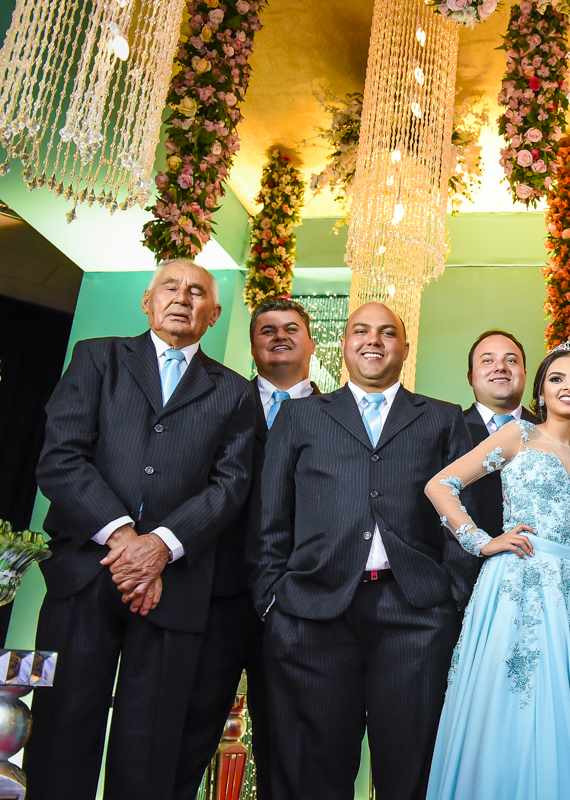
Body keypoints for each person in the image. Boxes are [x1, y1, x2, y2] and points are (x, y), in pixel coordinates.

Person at [28, 260, 258, 800]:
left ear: (213, 314)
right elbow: (61, 459)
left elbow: (231, 485)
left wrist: (160, 547)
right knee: (61, 730)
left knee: (150, 743)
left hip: (176, 586)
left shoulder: (234, 391)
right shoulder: (96, 357)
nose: (182, 298)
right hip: (84, 574)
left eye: (197, 292)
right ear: (147, 301)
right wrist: (125, 541)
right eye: (170, 287)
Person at [249, 302, 478, 800]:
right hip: (311, 615)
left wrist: (453, 599)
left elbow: (462, 517)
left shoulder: (441, 418)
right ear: (344, 344)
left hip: (415, 616)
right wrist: (272, 601)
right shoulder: (299, 415)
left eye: (387, 332)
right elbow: (271, 514)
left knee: (412, 772)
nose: (373, 340)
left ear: (405, 348)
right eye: (361, 331)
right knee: (311, 775)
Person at [424, 343, 570, 800]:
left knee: (569, 711)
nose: (569, 387)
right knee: (514, 705)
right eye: (557, 378)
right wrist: (482, 541)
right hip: (517, 586)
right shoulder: (517, 435)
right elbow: (440, 486)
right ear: (541, 390)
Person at [173, 297, 319, 800]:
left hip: (298, 601)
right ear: (252, 346)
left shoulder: (338, 414)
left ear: (311, 343)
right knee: (190, 729)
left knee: (289, 742)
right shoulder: (221, 399)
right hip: (216, 595)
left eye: (291, 328)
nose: (279, 336)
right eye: (266, 330)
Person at [462, 330, 530, 542]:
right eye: (487, 360)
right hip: (465, 558)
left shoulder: (550, 430)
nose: (500, 367)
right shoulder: (449, 429)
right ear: (470, 377)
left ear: (524, 374)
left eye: (511, 360)